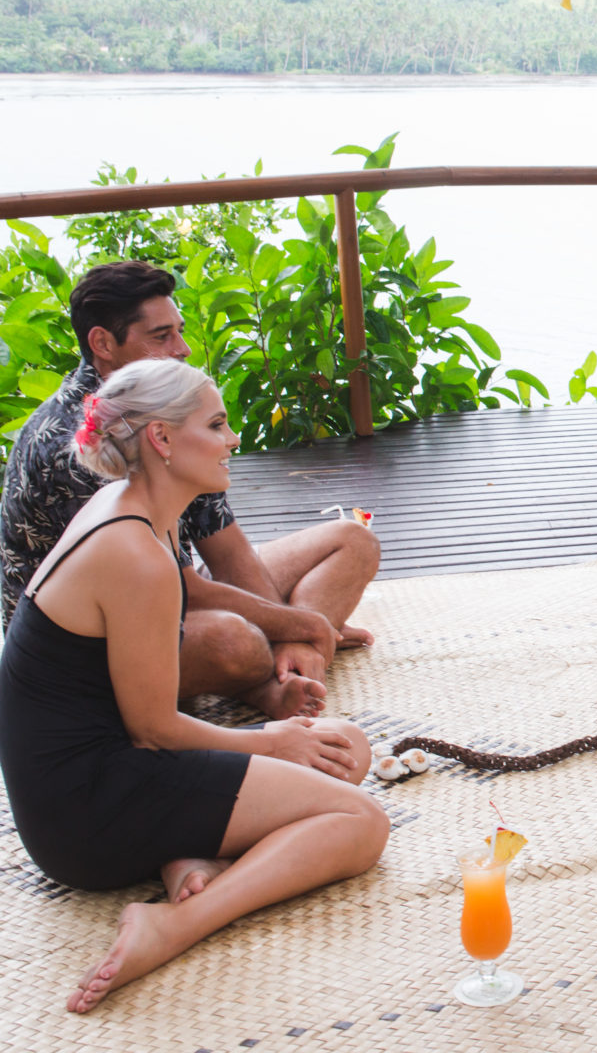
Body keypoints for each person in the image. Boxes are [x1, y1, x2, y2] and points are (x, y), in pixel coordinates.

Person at [0, 358, 388, 1013]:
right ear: (162, 440)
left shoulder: (135, 511)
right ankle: (172, 924)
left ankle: (188, 852)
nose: (234, 439)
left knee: (344, 744)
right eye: (217, 424)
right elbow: (155, 727)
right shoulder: (132, 552)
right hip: (84, 809)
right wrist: (272, 744)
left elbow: (146, 706)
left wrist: (282, 726)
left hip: (99, 770)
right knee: (360, 821)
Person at [1, 261, 380, 720]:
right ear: (102, 343)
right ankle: (270, 680)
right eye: (161, 337)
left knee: (352, 541)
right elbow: (180, 591)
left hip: (169, 590)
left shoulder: (174, 406)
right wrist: (307, 622)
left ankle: (294, 662)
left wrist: (294, 635)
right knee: (235, 640)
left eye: (179, 331)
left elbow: (229, 553)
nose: (181, 350)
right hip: (92, 636)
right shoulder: (82, 443)